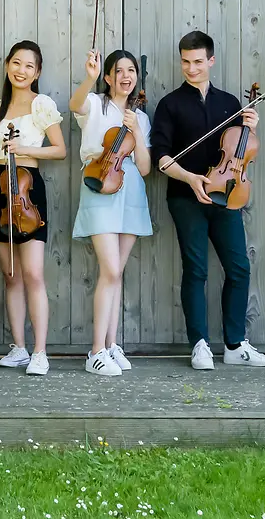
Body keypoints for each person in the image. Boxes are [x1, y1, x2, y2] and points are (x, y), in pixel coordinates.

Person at [151, 31, 265, 371]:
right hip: (185, 197)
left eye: (198, 62)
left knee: (238, 268)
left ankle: (235, 345)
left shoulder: (231, 103)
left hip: (228, 195)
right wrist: (190, 179)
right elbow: (161, 156)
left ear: (211, 61)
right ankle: (200, 345)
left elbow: (239, 150)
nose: (191, 69)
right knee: (196, 270)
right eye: (186, 62)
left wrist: (251, 125)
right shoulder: (169, 104)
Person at [0, 41, 67, 377]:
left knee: (33, 274)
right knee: (11, 275)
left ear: (37, 72)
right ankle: (18, 348)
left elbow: (60, 150)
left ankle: (40, 352)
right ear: (7, 67)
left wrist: (25, 147)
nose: (21, 70)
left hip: (28, 186)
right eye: (16, 63)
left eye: (29, 66)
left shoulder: (42, 105)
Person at [68, 48, 153, 377]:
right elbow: (76, 104)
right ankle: (95, 351)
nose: (126, 76)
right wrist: (87, 79)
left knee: (116, 273)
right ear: (107, 77)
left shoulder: (140, 117)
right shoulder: (95, 104)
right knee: (110, 270)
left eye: (131, 70)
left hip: (130, 191)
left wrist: (137, 132)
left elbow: (144, 168)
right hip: (100, 186)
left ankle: (111, 343)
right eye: (119, 70)